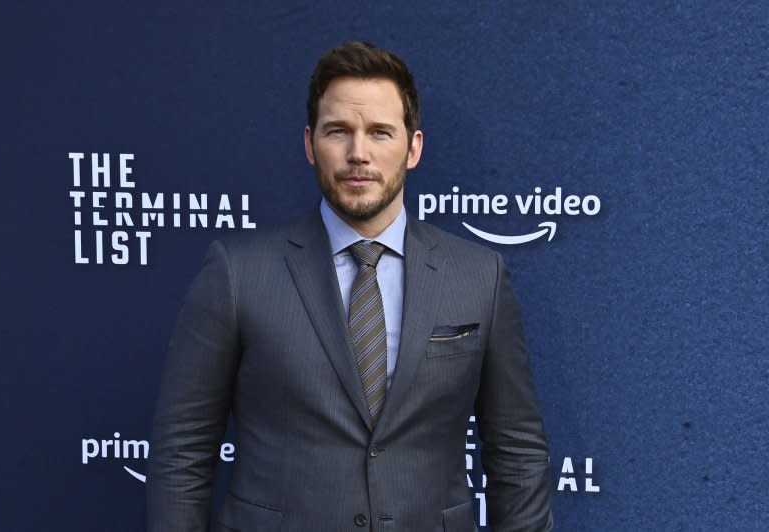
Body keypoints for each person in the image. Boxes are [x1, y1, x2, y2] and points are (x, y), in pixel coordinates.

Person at [147, 41, 553, 532]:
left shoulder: (479, 276)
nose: (358, 153)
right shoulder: (238, 274)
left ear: (413, 147)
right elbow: (182, 452)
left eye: (380, 132)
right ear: (309, 143)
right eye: (338, 131)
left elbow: (516, 450)